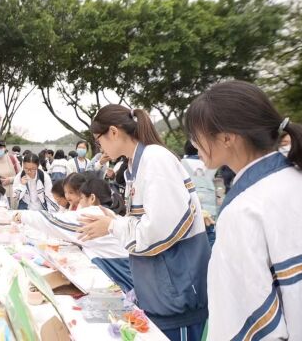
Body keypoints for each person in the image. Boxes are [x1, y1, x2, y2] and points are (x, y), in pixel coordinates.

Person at [184, 80, 302, 340]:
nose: (194, 144)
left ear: (227, 137)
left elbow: (248, 321)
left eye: (196, 136)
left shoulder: (244, 209)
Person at [78, 105, 210, 340]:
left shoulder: (155, 160)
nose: (100, 147)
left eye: (99, 140)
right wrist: (115, 220)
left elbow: (158, 231)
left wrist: (111, 226)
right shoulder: (134, 165)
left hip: (176, 295)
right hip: (161, 292)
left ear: (114, 132)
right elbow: (148, 220)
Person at [16, 205, 133, 293]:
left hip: (125, 286)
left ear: (91, 198)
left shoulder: (93, 215)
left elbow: (55, 222)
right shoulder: (111, 216)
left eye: (72, 194)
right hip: (127, 280)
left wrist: (22, 215)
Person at [182, 140, 218, 246]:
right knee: (211, 235)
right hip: (210, 206)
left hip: (192, 208)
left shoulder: (181, 164)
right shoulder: (211, 163)